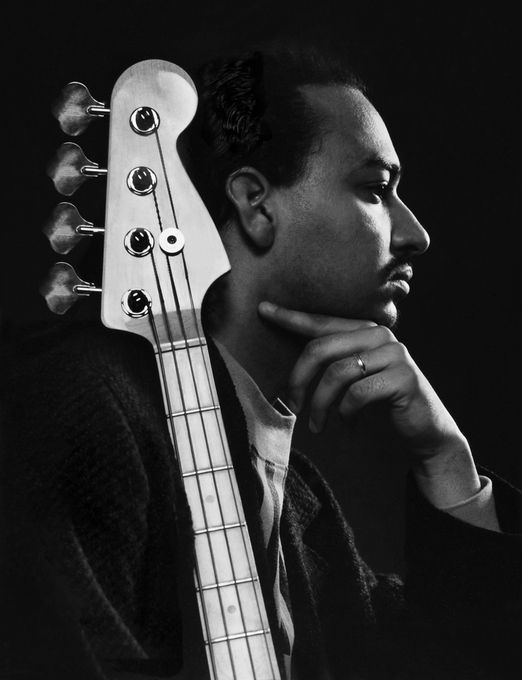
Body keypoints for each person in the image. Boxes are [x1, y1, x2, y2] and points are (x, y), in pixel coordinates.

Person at [2, 47, 521, 680]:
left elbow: (461, 658)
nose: (416, 234)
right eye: (375, 190)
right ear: (255, 203)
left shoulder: (306, 507)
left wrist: (450, 467)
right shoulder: (82, 405)